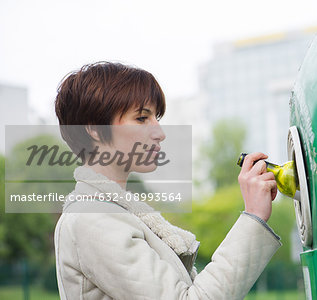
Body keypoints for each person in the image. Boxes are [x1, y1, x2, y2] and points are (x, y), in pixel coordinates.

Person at [53, 61, 282, 300]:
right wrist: (253, 216)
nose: (159, 133)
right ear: (95, 129)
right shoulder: (93, 218)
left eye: (156, 117)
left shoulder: (113, 212)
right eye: (142, 118)